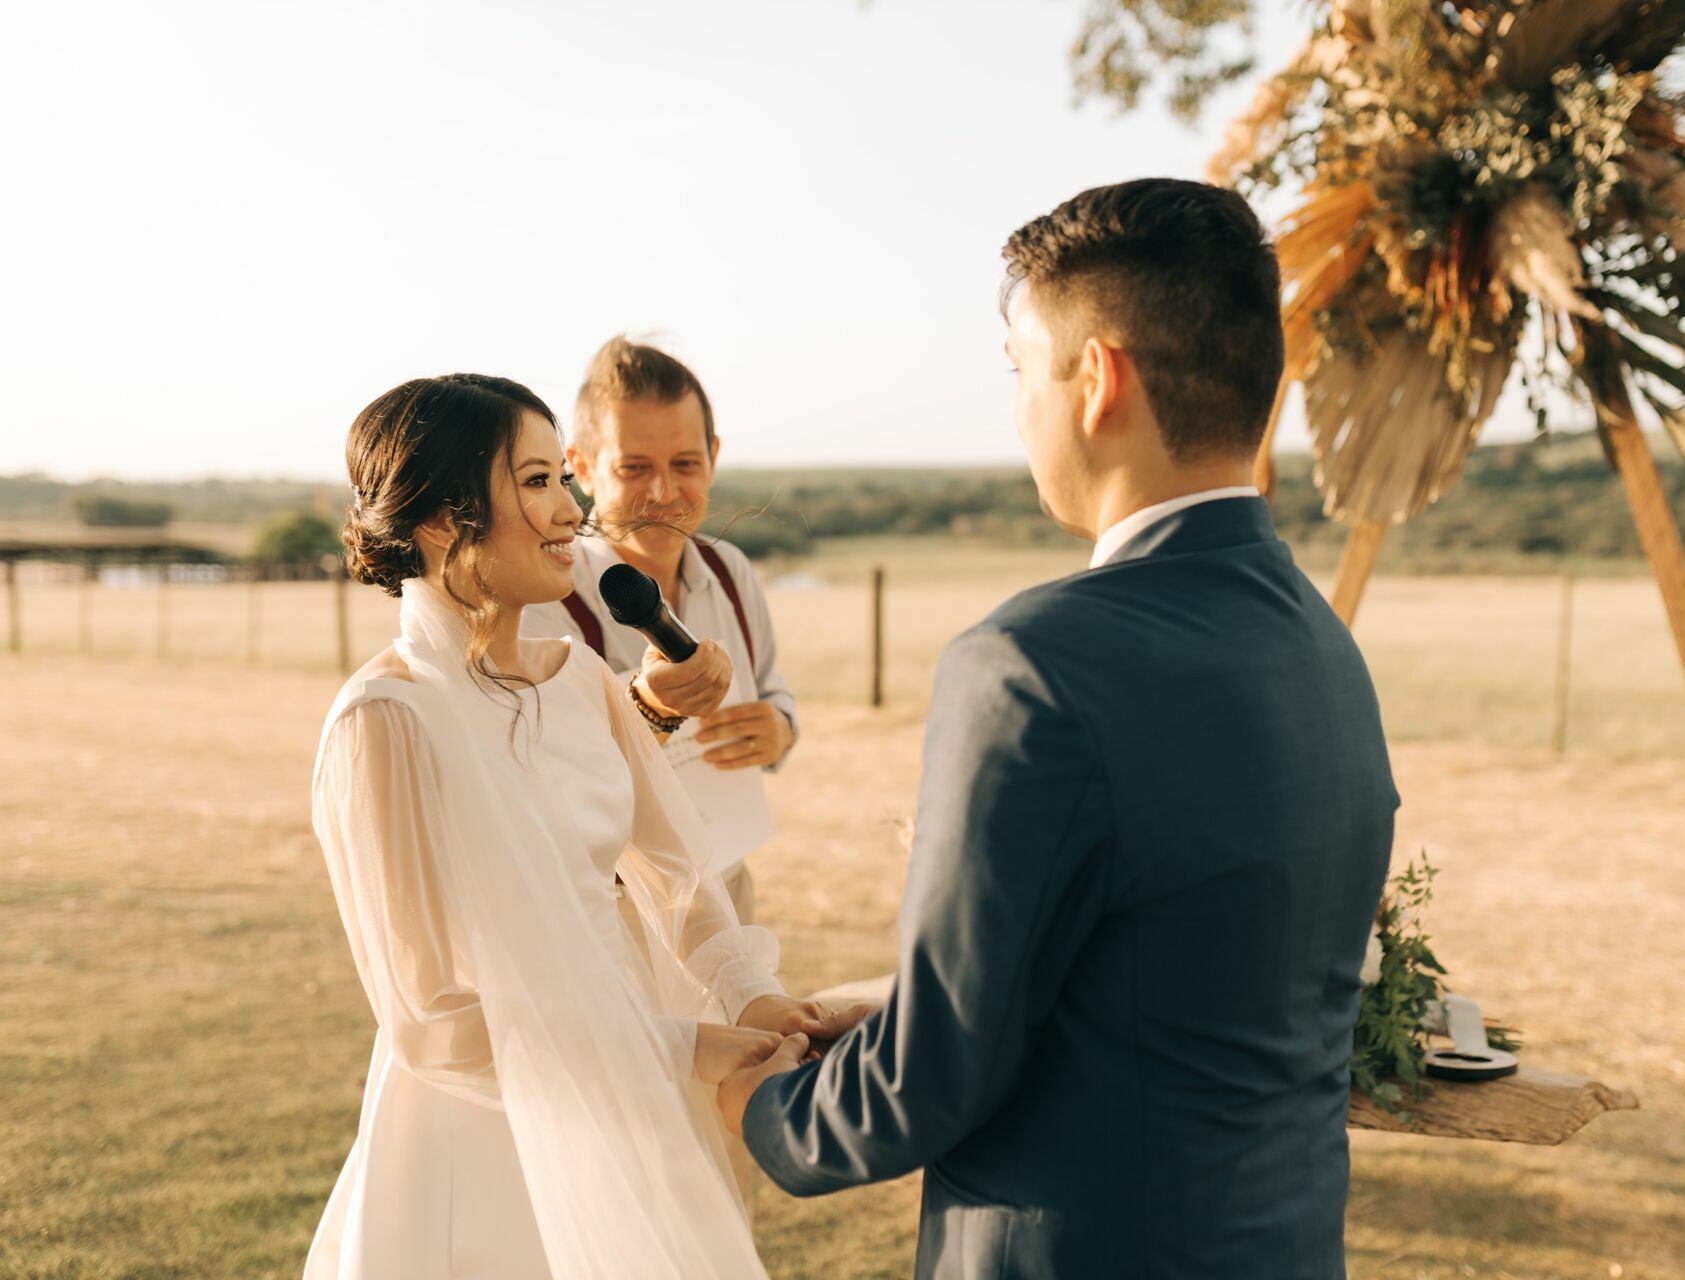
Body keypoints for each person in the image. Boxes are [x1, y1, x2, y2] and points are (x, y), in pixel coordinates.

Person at [720, 178, 1400, 1279]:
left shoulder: (1033, 662)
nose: (1018, 410)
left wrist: (760, 1102)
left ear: (1098, 380)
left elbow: (928, 1077)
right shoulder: (1325, 646)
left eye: (1019, 372)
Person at [305, 373, 852, 1279]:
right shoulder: (384, 721)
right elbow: (430, 1023)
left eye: (562, 476)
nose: (571, 509)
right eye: (535, 481)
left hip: (634, 1099)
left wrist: (750, 999)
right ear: (443, 518)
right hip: (482, 1139)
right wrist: (674, 1049)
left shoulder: (583, 680)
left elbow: (679, 879)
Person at [524, 338, 796, 927]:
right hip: (613, 910)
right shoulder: (547, 593)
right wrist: (647, 705)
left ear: (713, 457)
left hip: (727, 885)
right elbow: (542, 764)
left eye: (685, 464)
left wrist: (779, 728)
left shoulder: (732, 571)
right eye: (635, 467)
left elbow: (773, 685)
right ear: (585, 467)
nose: (664, 493)